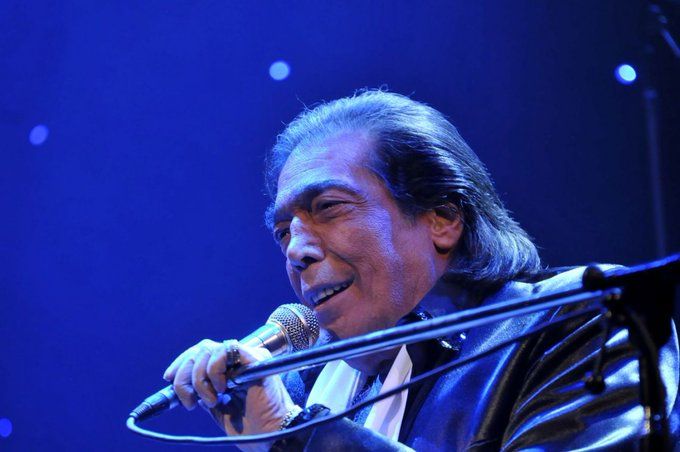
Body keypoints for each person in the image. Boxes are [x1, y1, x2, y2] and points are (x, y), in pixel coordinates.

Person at [163, 90, 679, 450]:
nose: (296, 251)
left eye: (329, 207)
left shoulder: (578, 320)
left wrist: (299, 437)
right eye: (283, 232)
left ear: (442, 218)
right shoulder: (303, 385)